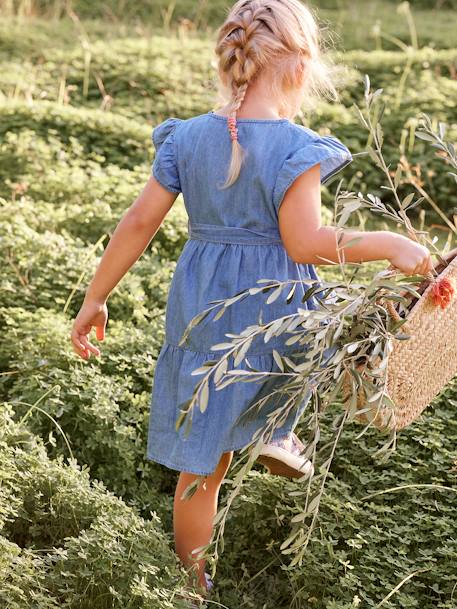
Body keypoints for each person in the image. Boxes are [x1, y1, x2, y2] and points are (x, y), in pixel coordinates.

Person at [70, 0, 433, 598]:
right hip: (276, 306)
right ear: (298, 65)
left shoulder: (187, 138)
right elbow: (306, 242)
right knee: (304, 352)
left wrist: (95, 297)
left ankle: (193, 583)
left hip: (205, 309)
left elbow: (138, 222)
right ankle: (274, 427)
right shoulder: (296, 148)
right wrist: (387, 243)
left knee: (202, 466)